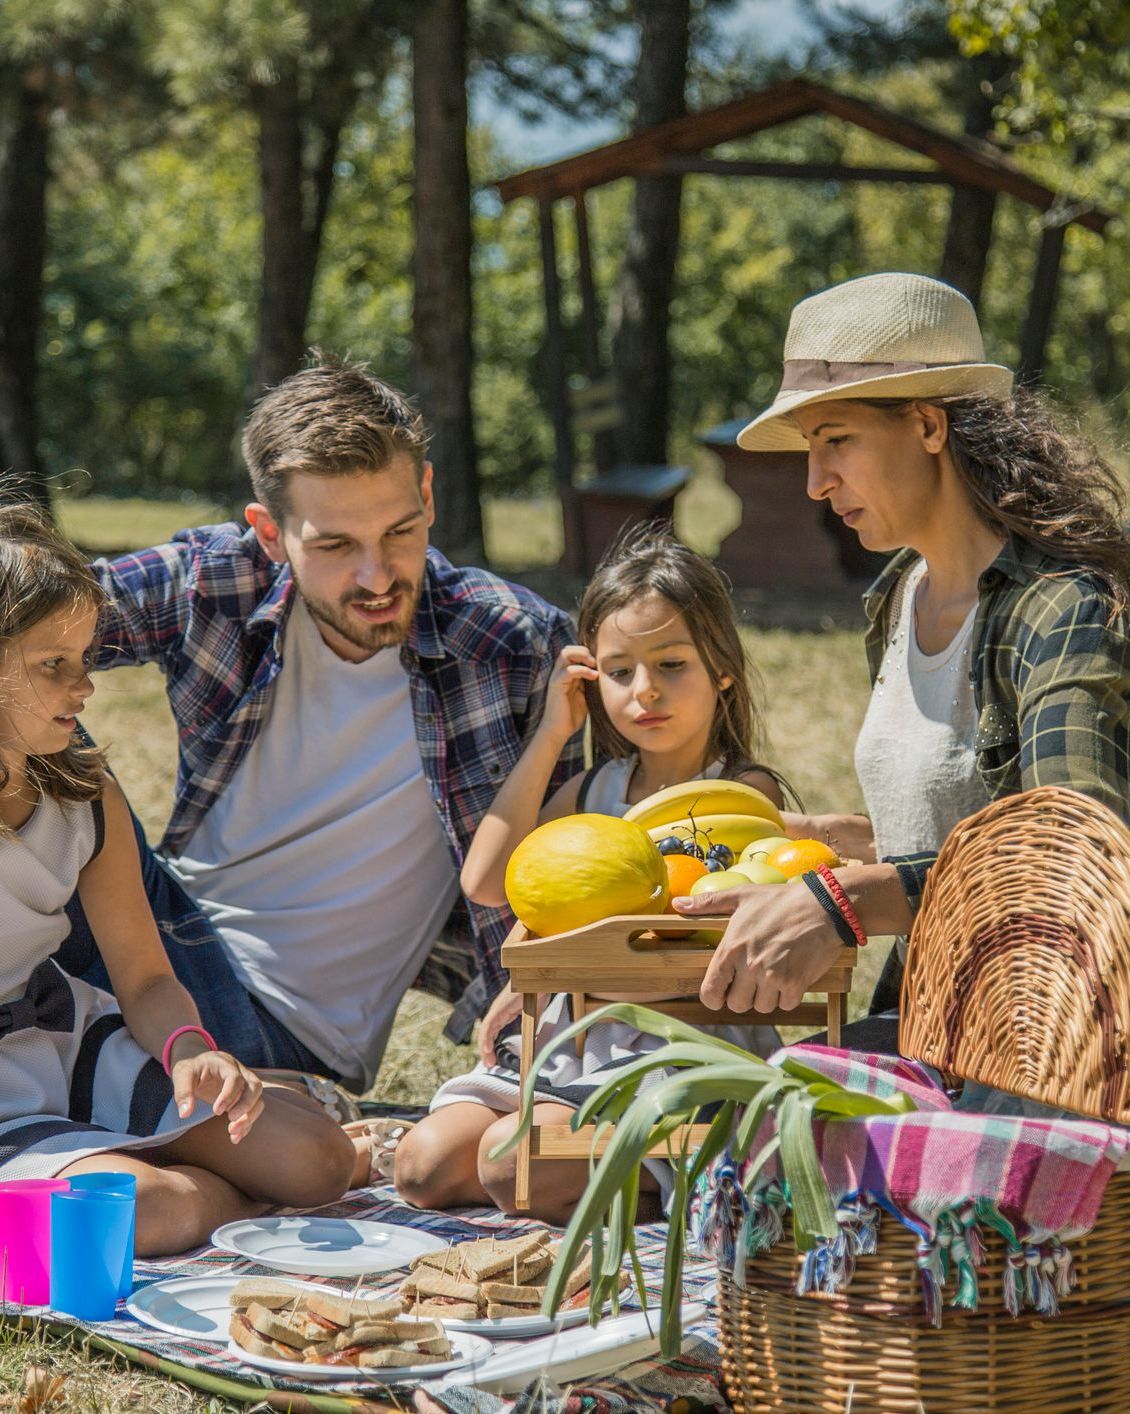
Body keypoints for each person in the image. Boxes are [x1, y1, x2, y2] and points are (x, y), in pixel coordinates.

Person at [59, 359, 579, 1107]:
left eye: (400, 531)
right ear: (270, 534)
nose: (377, 576)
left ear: (428, 494)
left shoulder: (514, 645)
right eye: (335, 546)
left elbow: (588, 857)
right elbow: (33, 616)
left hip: (283, 1025)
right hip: (161, 943)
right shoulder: (219, 579)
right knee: (32, 719)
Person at [675, 271, 1130, 1046]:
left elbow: (1076, 861)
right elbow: (963, 818)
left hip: (1055, 1040)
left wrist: (845, 904)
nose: (816, 482)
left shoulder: (1063, 611)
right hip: (933, 1010)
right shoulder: (898, 595)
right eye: (810, 448)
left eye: (836, 440)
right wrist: (829, 840)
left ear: (926, 425)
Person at [394, 527, 788, 1223]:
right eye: (619, 671)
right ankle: (583, 1168)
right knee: (420, 1167)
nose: (645, 691)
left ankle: (683, 1174)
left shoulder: (739, 794)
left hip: (675, 1040)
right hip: (570, 1042)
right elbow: (486, 880)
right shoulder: (596, 789)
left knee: (508, 1166)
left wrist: (551, 971)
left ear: (722, 669)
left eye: (672, 665)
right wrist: (553, 732)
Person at [0, 505, 355, 1254]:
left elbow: (146, 981)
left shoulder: (85, 796)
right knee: (144, 1209)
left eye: (86, 659)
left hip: (65, 1043)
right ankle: (169, 1188)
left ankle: (152, 1175)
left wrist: (190, 1050)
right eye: (54, 665)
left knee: (320, 1160)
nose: (84, 687)